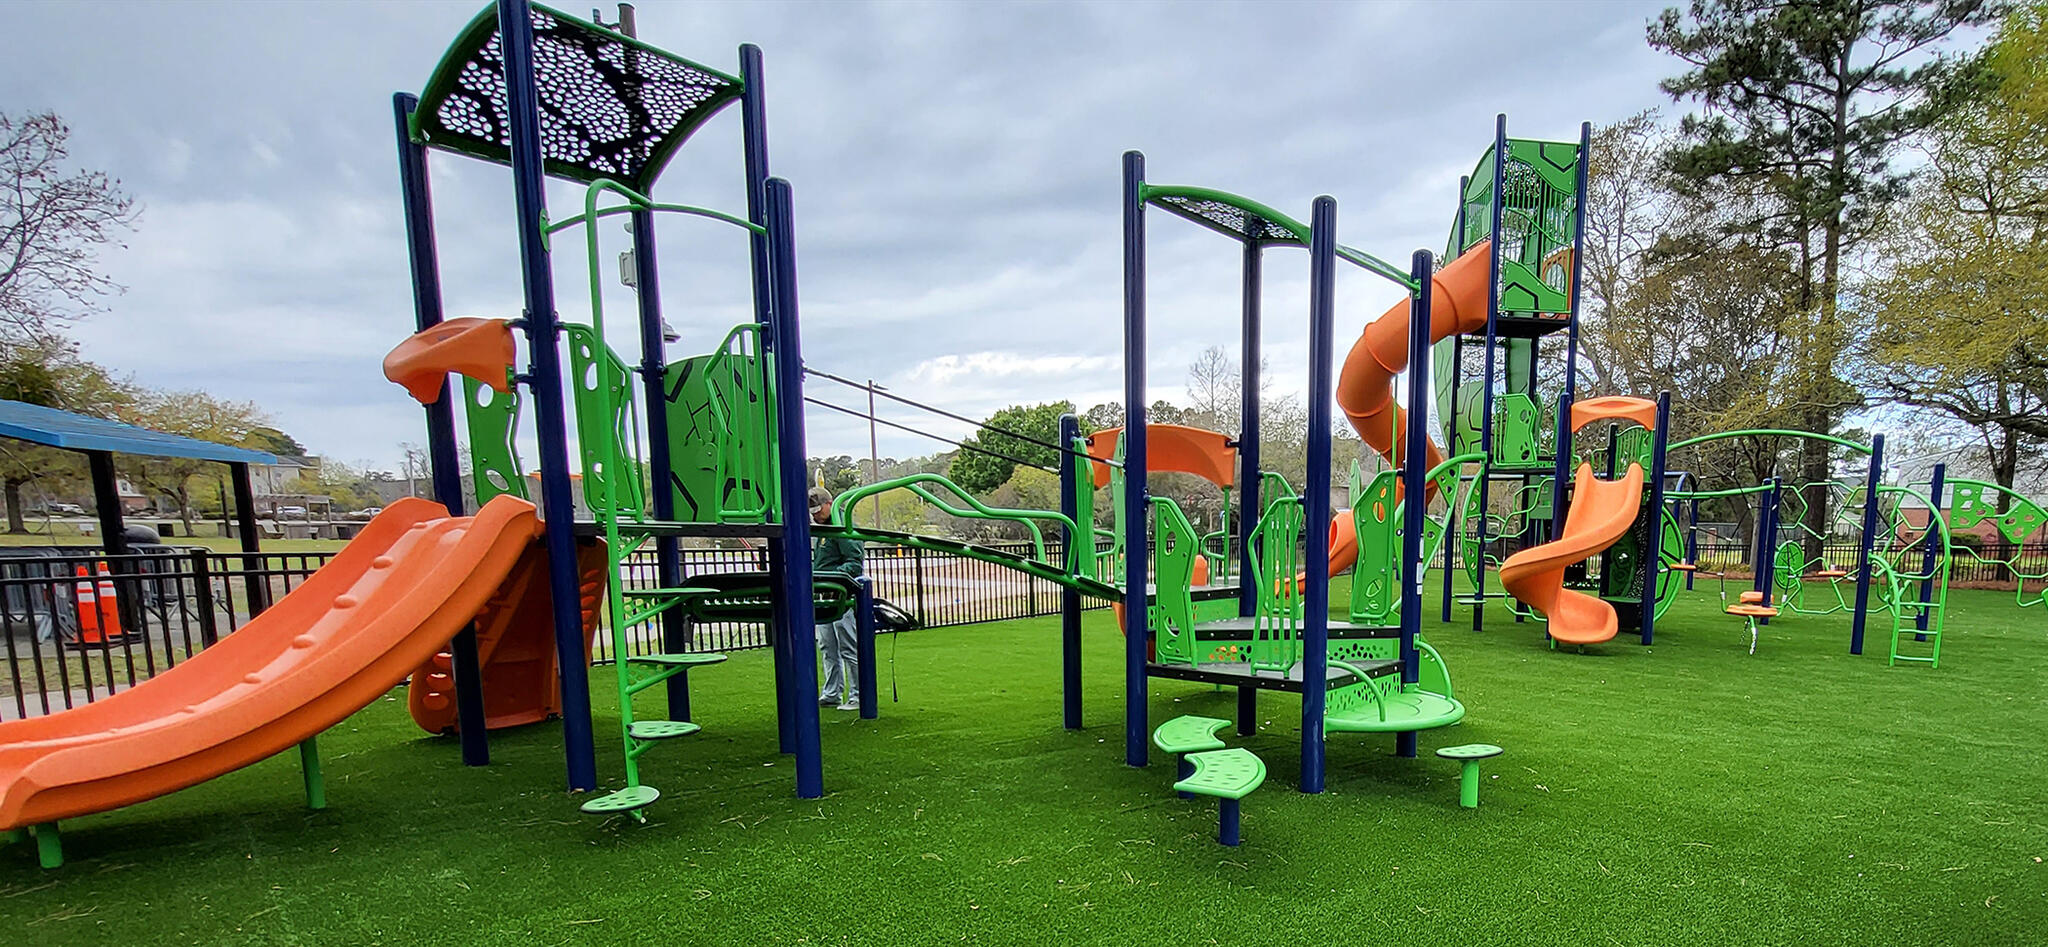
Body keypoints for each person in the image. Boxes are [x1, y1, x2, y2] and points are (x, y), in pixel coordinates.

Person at [809, 486, 864, 710]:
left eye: (818, 510)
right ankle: (832, 692)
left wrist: (833, 578)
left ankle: (858, 695)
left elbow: (854, 561)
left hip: (841, 594)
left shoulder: (842, 526)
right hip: (825, 594)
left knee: (848, 647)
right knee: (827, 646)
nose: (815, 515)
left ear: (829, 504)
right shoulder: (823, 530)